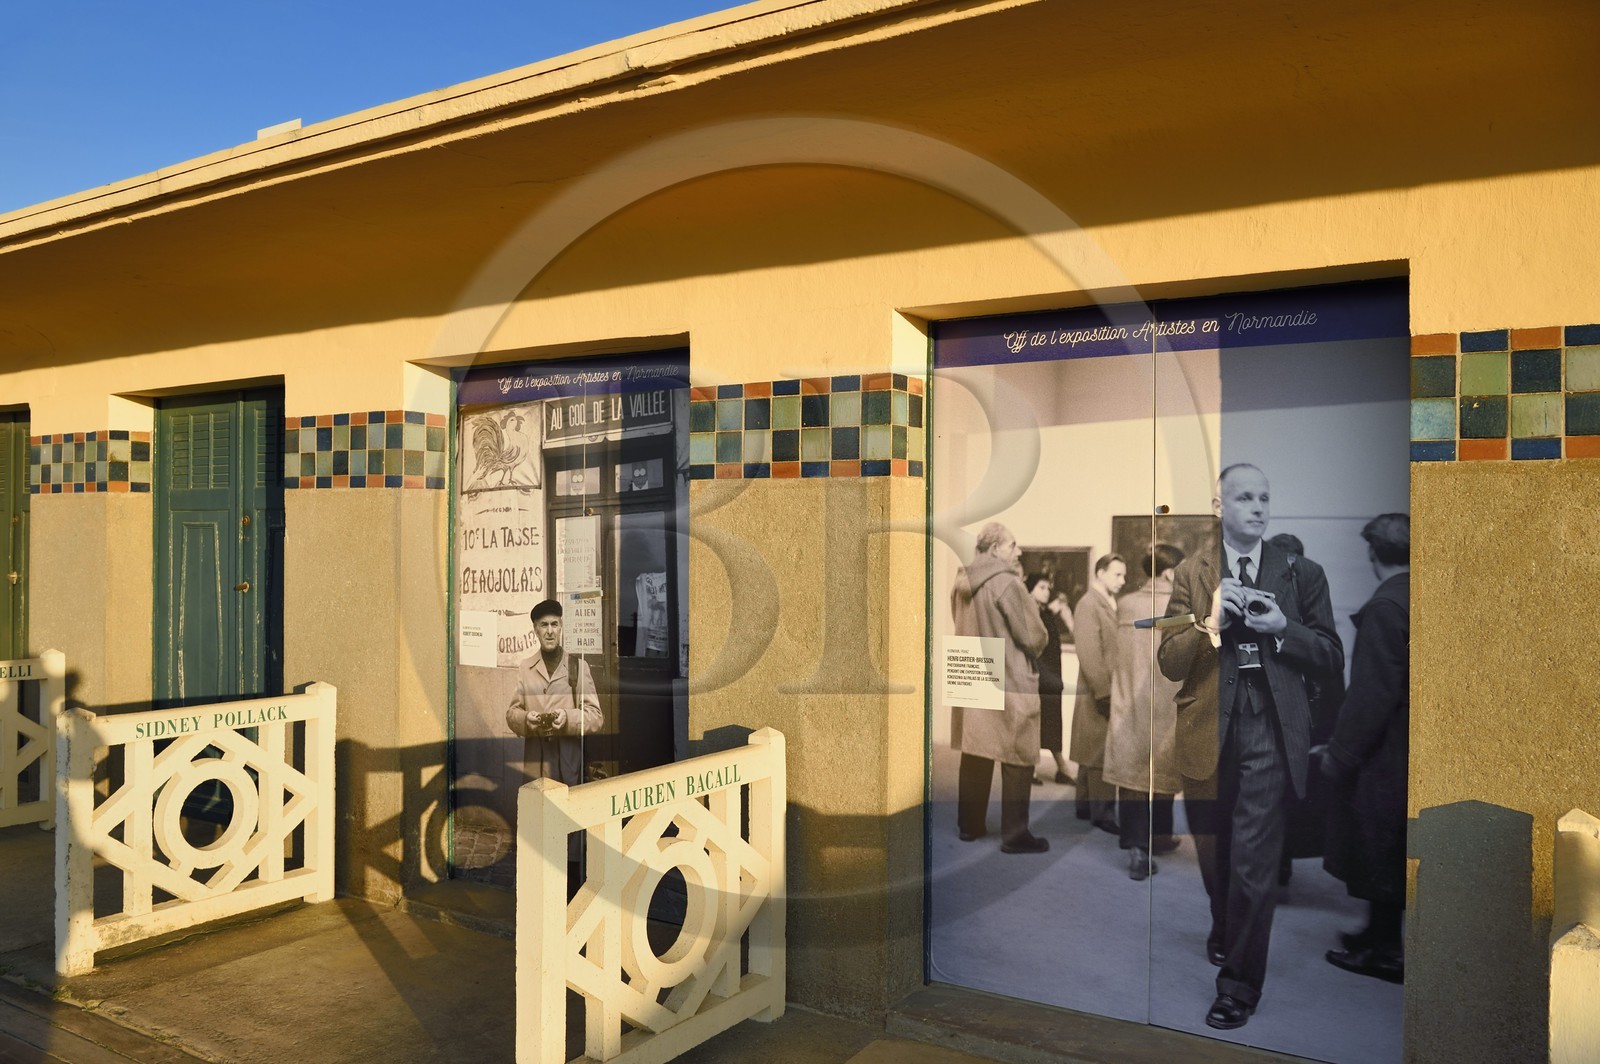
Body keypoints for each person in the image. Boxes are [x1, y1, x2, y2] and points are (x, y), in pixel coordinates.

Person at [1158, 464, 1343, 1031]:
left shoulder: (1302, 572)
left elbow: (1333, 655)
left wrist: (1285, 628)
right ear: (1219, 506)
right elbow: (1169, 662)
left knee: (1255, 862)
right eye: (1244, 497)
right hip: (1204, 733)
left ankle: (1238, 985)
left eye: (1265, 497)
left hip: (1269, 731)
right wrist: (1208, 624)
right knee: (1215, 855)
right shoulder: (1192, 573)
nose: (1258, 506)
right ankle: (1224, 924)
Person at [1321, 513, 1410, 984]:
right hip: (1409, 744)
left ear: (1373, 552)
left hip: (1387, 751)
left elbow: (1372, 693)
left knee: (1379, 846)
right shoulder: (1418, 593)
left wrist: (1340, 755)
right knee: (1391, 845)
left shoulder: (1385, 606)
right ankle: (1377, 935)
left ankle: (1385, 951)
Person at [950, 522, 1051, 854]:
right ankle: (1015, 834)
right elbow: (1033, 637)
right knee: (1018, 753)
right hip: (1009, 674)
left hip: (972, 667)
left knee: (976, 748)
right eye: (1012, 545)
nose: (1017, 551)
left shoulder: (960, 580)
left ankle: (969, 825)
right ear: (994, 549)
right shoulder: (1007, 583)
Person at [1267, 532, 1347, 885]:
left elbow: (1330, 667)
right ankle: (1280, 867)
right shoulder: (1311, 603)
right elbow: (1333, 674)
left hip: (1289, 721)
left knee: (1278, 800)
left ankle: (1278, 868)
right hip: (1303, 722)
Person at [1104, 544, 1186, 881]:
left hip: (1130, 699)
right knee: (1165, 764)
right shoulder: (1182, 606)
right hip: (1169, 698)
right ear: (1169, 572)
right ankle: (1161, 836)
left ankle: (1138, 847)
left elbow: (1114, 653)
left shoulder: (1124, 604)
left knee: (1133, 771)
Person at [507, 598, 603, 786]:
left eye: (554, 624)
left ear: (561, 628)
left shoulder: (577, 666)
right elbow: (511, 714)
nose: (549, 631)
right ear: (535, 630)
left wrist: (567, 718)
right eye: (544, 625)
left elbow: (596, 717)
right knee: (539, 812)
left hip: (569, 766)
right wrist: (527, 719)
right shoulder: (526, 668)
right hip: (536, 767)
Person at [1070, 553, 1125, 833]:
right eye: (1117, 574)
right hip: (1097, 688)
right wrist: (1103, 693)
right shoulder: (1089, 603)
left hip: (1098, 686)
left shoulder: (1103, 602)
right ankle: (1101, 814)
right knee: (1099, 750)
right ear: (1100, 572)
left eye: (1123, 575)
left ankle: (1083, 805)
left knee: (1089, 747)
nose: (1122, 580)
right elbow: (1089, 652)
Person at [1027, 574, 1073, 787]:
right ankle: (1032, 768)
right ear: (1030, 590)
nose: (1046, 591)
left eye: (1048, 587)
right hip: (1036, 676)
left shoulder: (1046, 614)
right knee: (1036, 722)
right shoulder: (1028, 612)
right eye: (1041, 587)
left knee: (1053, 721)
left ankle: (1061, 768)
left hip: (1052, 676)